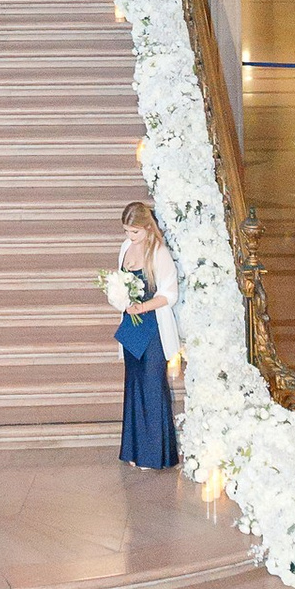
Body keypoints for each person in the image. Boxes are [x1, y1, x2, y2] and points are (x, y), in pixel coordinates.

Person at [109, 198, 182, 470]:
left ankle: (155, 455)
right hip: (133, 326)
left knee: (152, 385)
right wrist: (122, 301)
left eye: (135, 232)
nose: (131, 237)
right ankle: (133, 449)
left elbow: (170, 294)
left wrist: (143, 306)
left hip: (153, 327)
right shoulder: (126, 248)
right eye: (127, 232)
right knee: (134, 384)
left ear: (147, 228)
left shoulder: (158, 252)